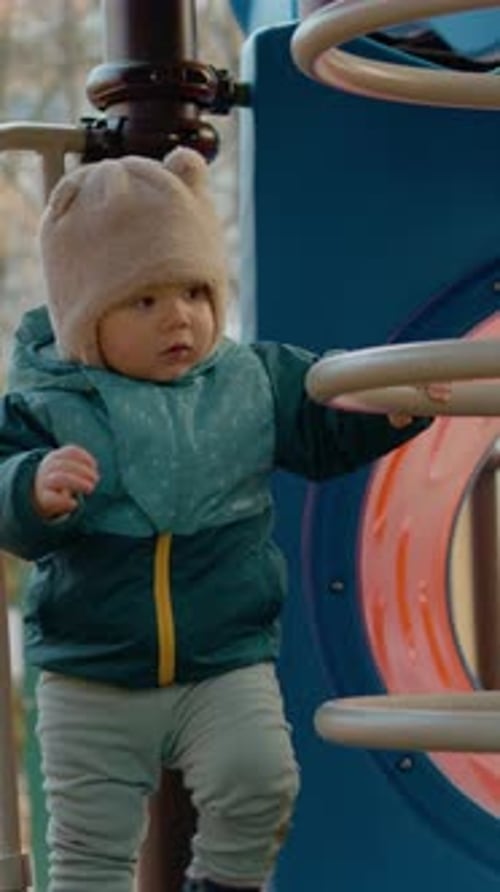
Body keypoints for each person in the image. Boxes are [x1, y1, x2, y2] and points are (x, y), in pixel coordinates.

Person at [0, 147, 448, 892]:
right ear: (85, 320)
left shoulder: (248, 379)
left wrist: (392, 405)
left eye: (195, 293)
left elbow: (324, 419)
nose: (179, 316)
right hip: (92, 670)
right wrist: (29, 489)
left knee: (262, 782)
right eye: (144, 301)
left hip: (222, 660)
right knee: (90, 851)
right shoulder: (49, 401)